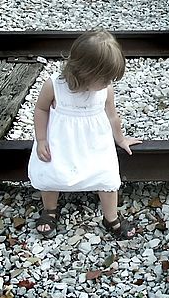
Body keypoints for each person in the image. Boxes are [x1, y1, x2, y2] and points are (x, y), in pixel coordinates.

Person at [28, 28, 142, 240]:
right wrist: (41, 139)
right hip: (61, 142)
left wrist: (120, 138)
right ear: (84, 71)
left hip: (94, 144)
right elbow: (41, 109)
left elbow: (112, 117)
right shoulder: (54, 86)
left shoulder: (105, 90)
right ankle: (50, 209)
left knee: (107, 177)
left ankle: (111, 218)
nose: (109, 83)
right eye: (105, 78)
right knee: (50, 171)